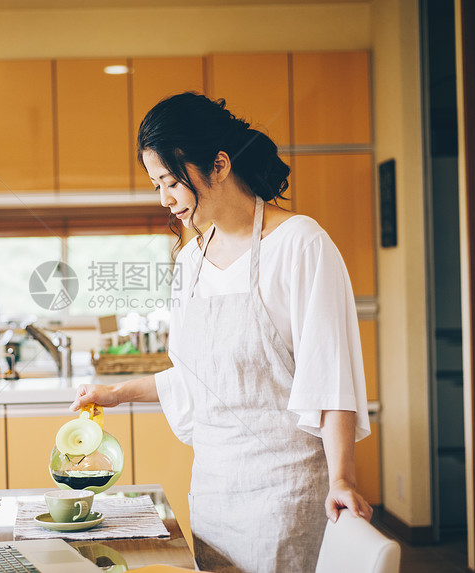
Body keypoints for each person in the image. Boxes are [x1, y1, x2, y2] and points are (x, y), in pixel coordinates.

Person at [71, 92, 373, 573]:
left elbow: (329, 375)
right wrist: (117, 392)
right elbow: (203, 378)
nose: (164, 199)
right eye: (156, 185)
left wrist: (343, 478)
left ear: (218, 164)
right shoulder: (190, 262)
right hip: (213, 495)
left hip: (284, 495)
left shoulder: (299, 244)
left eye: (171, 181)